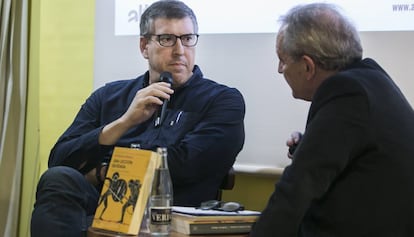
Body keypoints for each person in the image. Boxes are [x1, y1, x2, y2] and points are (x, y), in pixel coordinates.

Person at [30, 0, 245, 236]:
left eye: (187, 38)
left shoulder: (222, 100)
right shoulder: (108, 96)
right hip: (98, 211)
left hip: (169, 218)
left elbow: (184, 166)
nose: (180, 50)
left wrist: (103, 172)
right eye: (167, 39)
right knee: (58, 178)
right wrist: (124, 123)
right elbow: (60, 158)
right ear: (144, 46)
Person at [250, 3, 414, 237]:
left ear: (308, 66)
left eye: (283, 60)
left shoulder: (346, 92)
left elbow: (297, 188)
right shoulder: (371, 80)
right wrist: (308, 144)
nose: (280, 69)